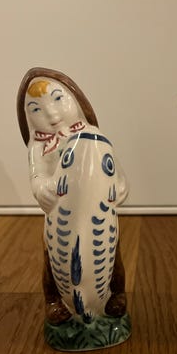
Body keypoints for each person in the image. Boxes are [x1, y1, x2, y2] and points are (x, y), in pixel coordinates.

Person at [17, 67, 128, 325]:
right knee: (52, 260)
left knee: (112, 254)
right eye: (36, 109)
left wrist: (120, 186)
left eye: (58, 99)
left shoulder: (96, 138)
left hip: (99, 215)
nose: (52, 114)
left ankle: (116, 294)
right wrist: (41, 188)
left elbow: (117, 172)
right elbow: (37, 176)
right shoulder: (39, 148)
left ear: (78, 101)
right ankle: (54, 300)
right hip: (60, 220)